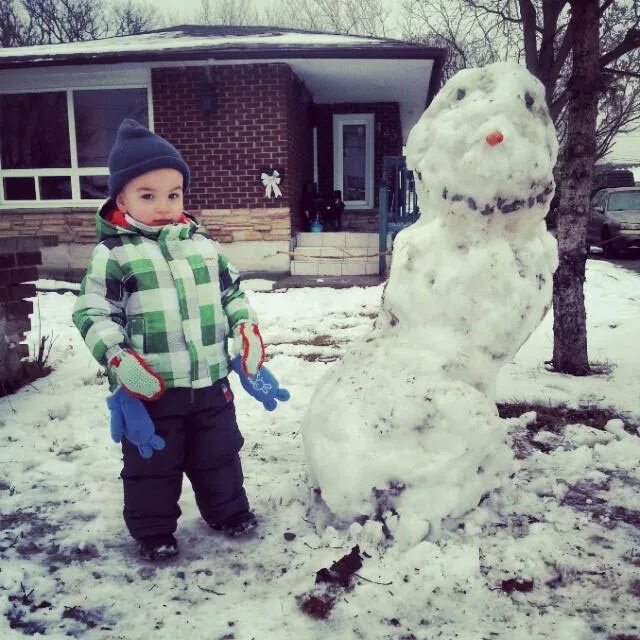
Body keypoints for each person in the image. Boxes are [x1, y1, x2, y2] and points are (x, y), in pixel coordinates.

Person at [72, 119, 266, 561]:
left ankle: (228, 511)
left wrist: (245, 328)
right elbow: (93, 311)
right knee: (151, 466)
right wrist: (119, 360)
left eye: (174, 194)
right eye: (148, 195)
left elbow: (231, 292)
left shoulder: (204, 247)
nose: (164, 205)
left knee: (219, 455)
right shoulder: (115, 254)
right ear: (120, 198)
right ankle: (153, 531)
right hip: (151, 390)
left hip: (211, 383)